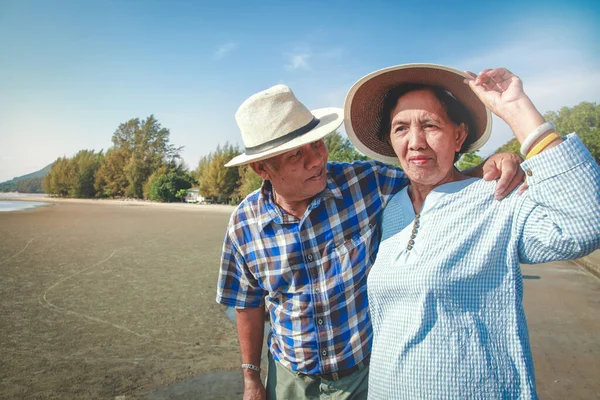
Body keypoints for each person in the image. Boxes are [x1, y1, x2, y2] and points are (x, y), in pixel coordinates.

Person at [216, 84, 524, 400]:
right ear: (261, 168)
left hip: (362, 376)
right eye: (297, 154)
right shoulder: (244, 225)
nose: (316, 160)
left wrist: (487, 167)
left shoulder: (366, 183)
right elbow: (246, 303)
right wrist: (252, 379)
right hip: (288, 380)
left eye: (317, 144)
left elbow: (433, 178)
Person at [343, 64, 600, 399]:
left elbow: (583, 225)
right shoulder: (391, 209)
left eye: (431, 125)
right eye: (401, 128)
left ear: (459, 135)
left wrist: (516, 109)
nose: (416, 142)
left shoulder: (496, 197)